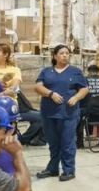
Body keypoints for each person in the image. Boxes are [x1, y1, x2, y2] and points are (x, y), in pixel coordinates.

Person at [34, 46, 89, 182]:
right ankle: (53, 169)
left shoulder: (75, 72)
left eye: (67, 53)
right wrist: (50, 93)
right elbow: (38, 86)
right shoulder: (46, 72)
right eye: (61, 53)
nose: (65, 55)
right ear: (55, 56)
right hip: (49, 113)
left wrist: (76, 97)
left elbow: (84, 88)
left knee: (67, 143)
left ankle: (69, 170)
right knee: (53, 143)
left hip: (68, 114)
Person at [0, 43, 43, 146]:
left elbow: (14, 87)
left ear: (5, 55)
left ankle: (22, 139)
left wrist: (5, 86)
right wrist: (3, 83)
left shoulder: (14, 69)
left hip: (13, 105)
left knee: (41, 117)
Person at [78, 65, 99, 149]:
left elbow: (79, 95)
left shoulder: (84, 80)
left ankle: (79, 143)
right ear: (98, 72)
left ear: (88, 72)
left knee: (77, 113)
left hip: (88, 113)